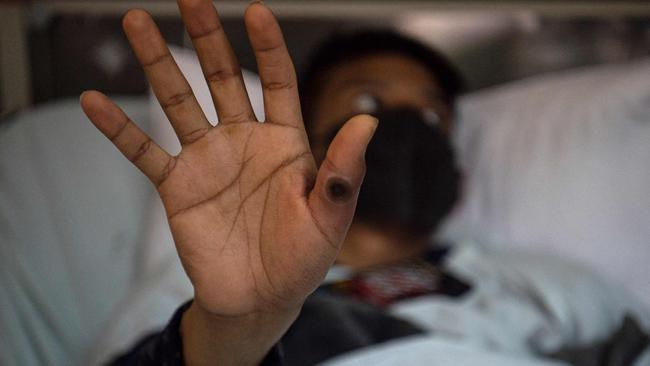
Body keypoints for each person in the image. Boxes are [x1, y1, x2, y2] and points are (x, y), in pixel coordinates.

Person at [80, 1, 650, 365]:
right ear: (303, 139)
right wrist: (234, 331)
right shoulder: (208, 287)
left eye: (430, 117)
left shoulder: (535, 282)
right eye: (368, 103)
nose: (400, 128)